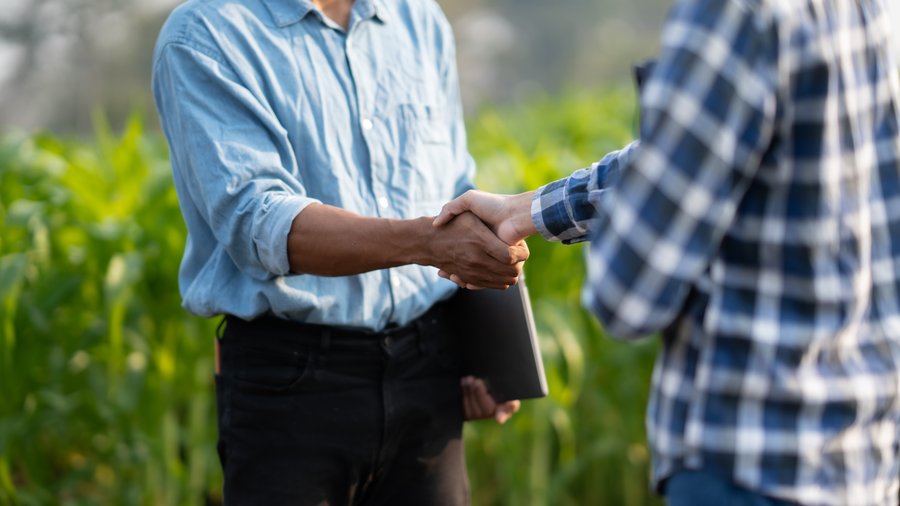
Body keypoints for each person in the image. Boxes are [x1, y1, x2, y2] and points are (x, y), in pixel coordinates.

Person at [435, 0, 900, 504]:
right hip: (865, 459)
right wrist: (525, 211)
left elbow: (628, 294)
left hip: (749, 462)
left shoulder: (735, 12)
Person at [151, 0, 525, 503]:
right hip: (292, 383)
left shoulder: (418, 19)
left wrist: (490, 349)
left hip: (429, 368)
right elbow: (260, 221)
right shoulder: (208, 32)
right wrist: (427, 243)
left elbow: (455, 188)